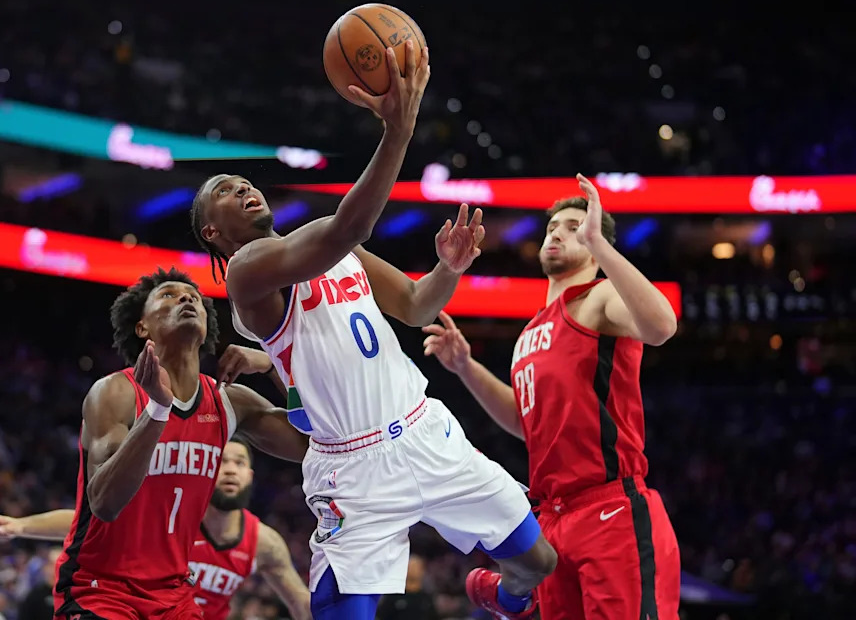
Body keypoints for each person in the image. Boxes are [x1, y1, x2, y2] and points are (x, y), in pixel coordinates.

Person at [189, 39, 556, 620]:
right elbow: (346, 226)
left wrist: (448, 268)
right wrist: (398, 131)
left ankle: (500, 598)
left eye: (243, 181)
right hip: (352, 469)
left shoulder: (326, 243)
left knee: (539, 564)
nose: (242, 187)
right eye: (225, 192)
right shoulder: (246, 273)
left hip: (424, 430)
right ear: (213, 231)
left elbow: (414, 305)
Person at [423, 174, 681, 619]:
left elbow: (662, 326)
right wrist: (465, 366)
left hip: (610, 507)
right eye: (553, 226)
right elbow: (528, 424)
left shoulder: (599, 298)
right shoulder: (529, 334)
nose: (559, 231)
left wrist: (600, 243)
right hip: (554, 520)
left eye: (574, 226)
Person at [46, 267, 308, 620]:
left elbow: (314, 443)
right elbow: (105, 503)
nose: (186, 298)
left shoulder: (229, 402)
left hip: (174, 595)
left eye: (194, 298)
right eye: (168, 295)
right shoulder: (115, 393)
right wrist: (157, 411)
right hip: (100, 588)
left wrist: (275, 363)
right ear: (142, 327)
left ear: (205, 331)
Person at [0, 439, 311, 620]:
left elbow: (300, 603)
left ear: (251, 476)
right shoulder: (170, 512)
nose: (231, 470)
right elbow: (91, 520)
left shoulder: (264, 542)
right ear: (206, 467)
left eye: (240, 463)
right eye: (222, 461)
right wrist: (20, 526)